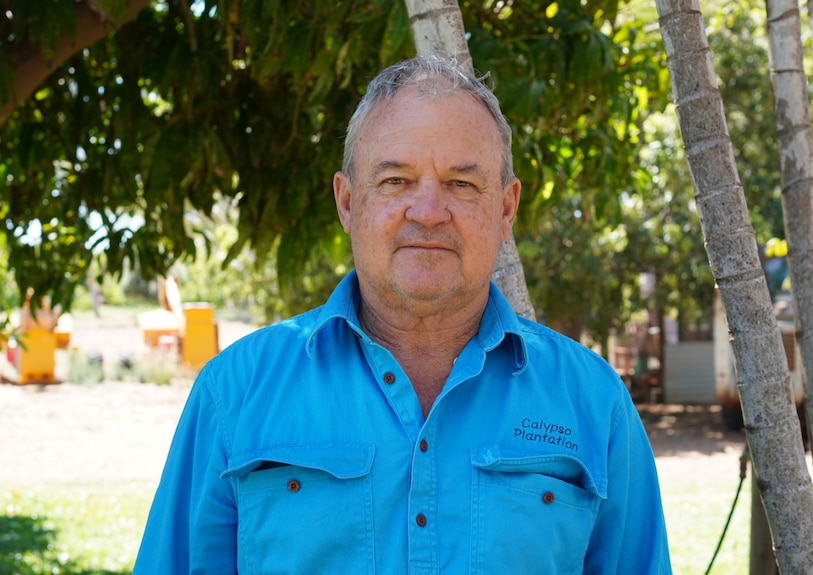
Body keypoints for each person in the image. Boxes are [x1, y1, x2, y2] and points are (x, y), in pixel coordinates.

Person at [133, 54, 672, 574]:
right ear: (347, 203)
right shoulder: (236, 392)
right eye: (395, 182)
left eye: (462, 184)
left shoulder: (595, 404)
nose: (430, 212)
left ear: (505, 208)